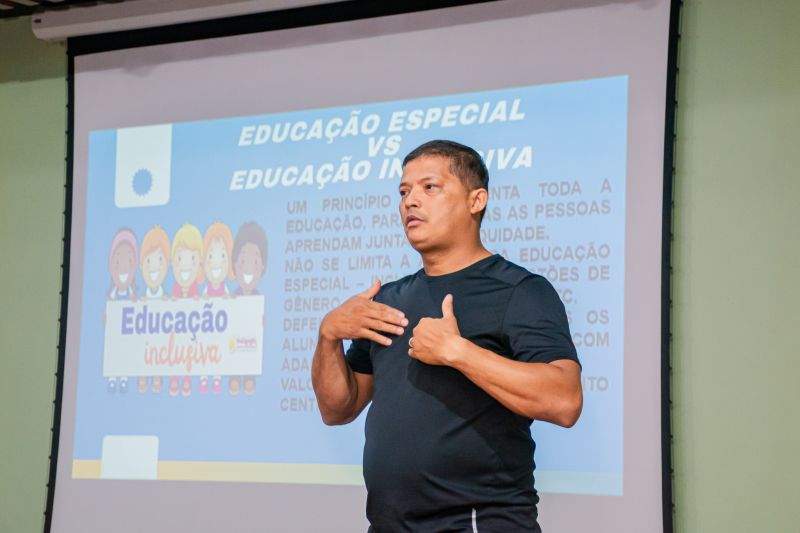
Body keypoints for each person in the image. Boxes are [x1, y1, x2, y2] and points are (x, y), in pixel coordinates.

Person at [311, 140, 583, 532]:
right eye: (404, 191)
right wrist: (328, 336)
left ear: (476, 200)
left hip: (477, 523)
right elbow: (338, 409)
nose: (410, 201)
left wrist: (457, 351)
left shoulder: (519, 291)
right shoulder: (387, 300)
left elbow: (565, 400)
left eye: (430, 187)